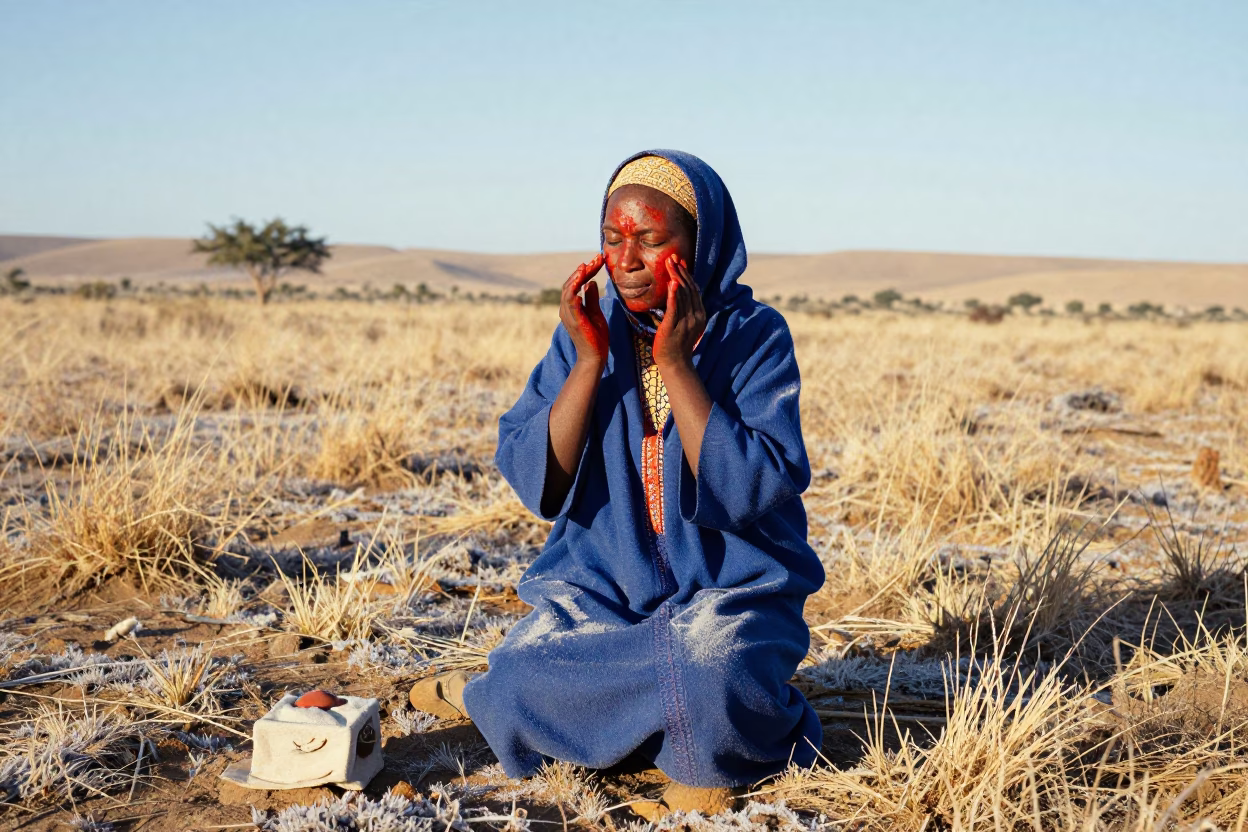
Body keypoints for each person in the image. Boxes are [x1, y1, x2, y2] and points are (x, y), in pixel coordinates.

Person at [410, 150, 823, 815]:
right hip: (602, 596)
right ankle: (497, 694)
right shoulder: (583, 332)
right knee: (520, 677)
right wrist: (588, 362)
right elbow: (533, 476)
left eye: (651, 240)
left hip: (732, 597)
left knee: (710, 672)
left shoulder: (754, 337)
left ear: (701, 243)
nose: (626, 258)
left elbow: (753, 484)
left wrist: (674, 365)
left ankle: (651, 728)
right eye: (612, 238)